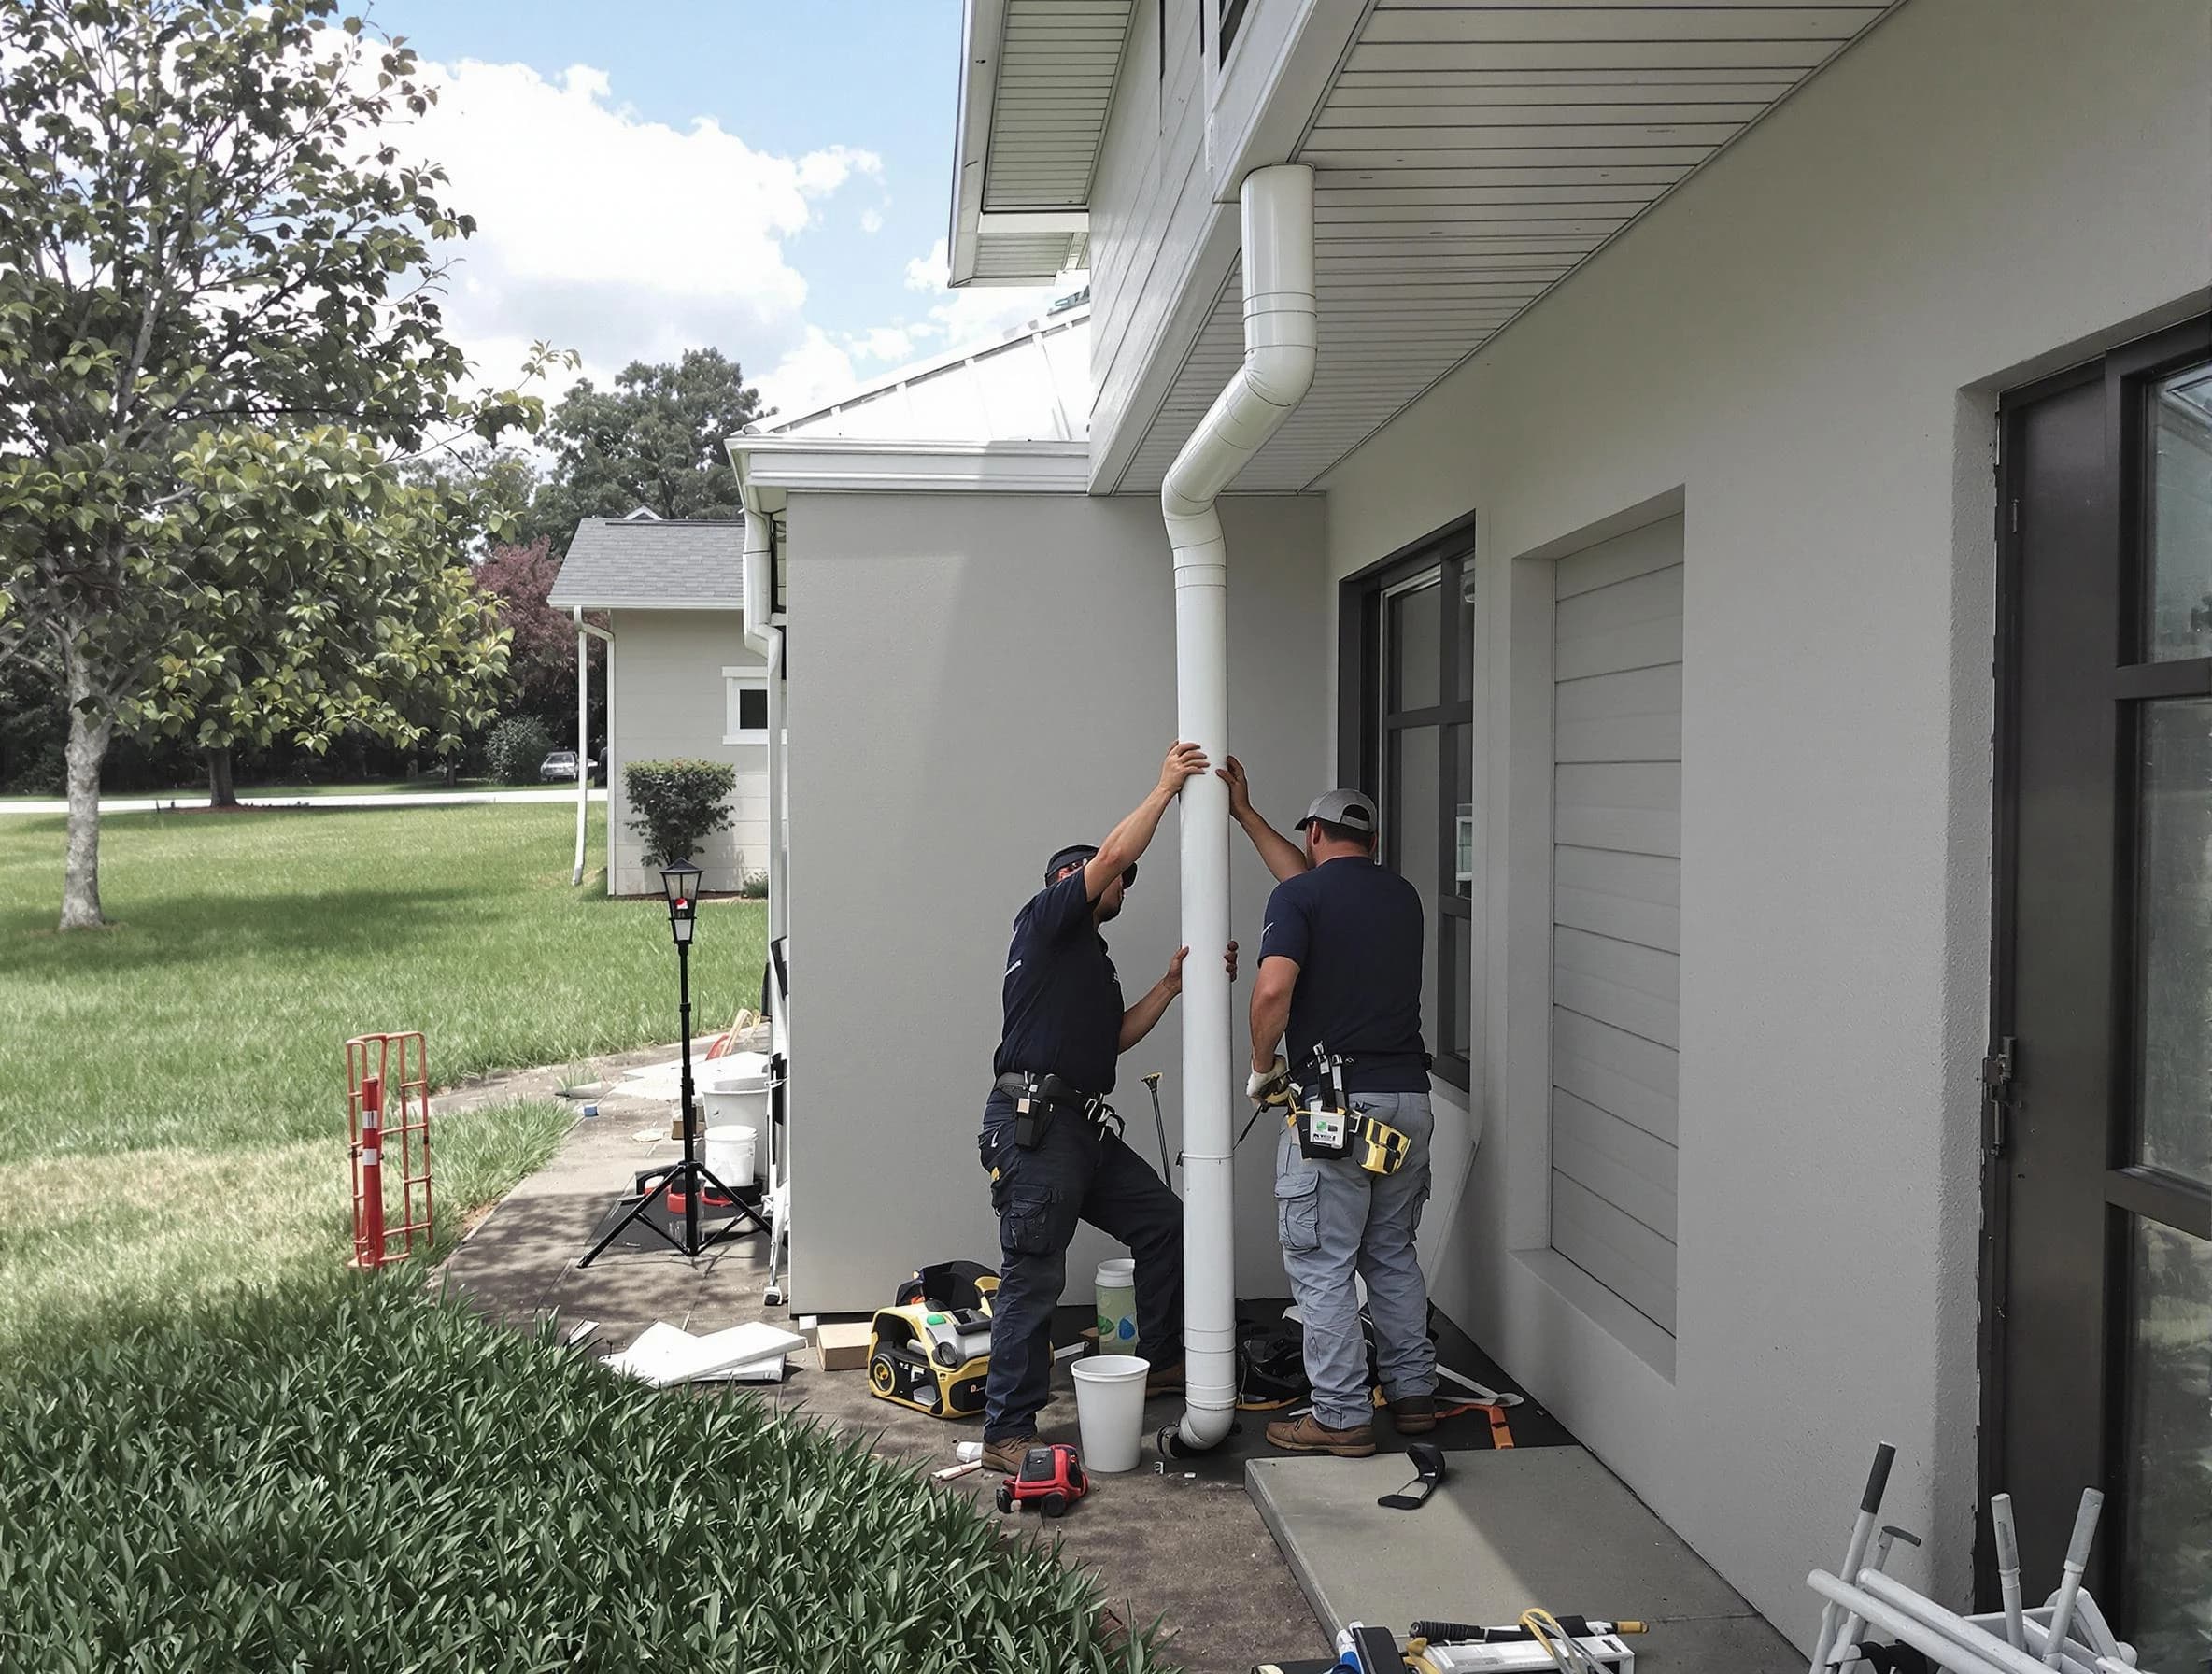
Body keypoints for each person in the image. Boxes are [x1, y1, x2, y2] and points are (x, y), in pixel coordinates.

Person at [977, 742, 1239, 1474]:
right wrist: (1162, 791)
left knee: (1163, 1223)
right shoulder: (1047, 918)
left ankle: (1158, 1363)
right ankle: (1007, 1430)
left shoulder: (1087, 959)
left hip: (1079, 1129)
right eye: (1118, 876)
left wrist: (1171, 984)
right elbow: (1112, 857)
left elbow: (1113, 1038)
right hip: (1036, 1130)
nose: (1125, 883)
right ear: (1082, 880)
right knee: (1035, 1275)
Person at [1223, 758, 1436, 1458]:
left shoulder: (1301, 903)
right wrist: (1247, 814)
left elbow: (1270, 993)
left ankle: (1341, 1416)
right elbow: (1312, 880)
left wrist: (1261, 1069)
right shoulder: (1401, 897)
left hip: (1337, 1112)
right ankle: (1412, 1397)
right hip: (1407, 1102)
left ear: (1314, 832)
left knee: (1321, 1262)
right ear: (1369, 841)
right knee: (1391, 1254)